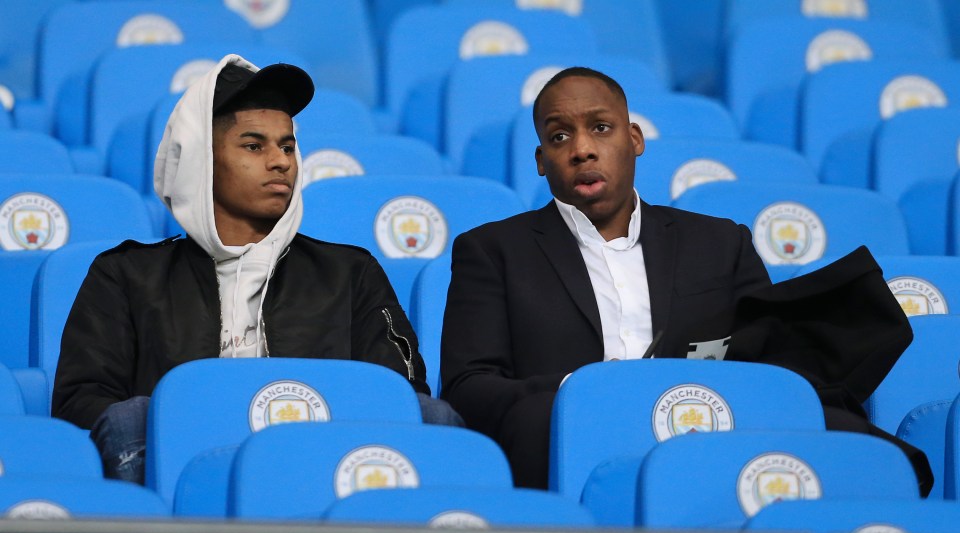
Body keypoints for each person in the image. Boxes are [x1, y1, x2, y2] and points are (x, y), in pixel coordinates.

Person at [53, 54, 461, 484]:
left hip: (327, 458)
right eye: (254, 146)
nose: (281, 161)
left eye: (287, 146)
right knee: (129, 419)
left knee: (431, 416)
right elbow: (82, 402)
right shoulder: (127, 275)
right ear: (201, 162)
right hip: (188, 461)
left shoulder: (349, 271)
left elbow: (399, 395)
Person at [440, 67, 771, 489]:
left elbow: (772, 357)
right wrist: (579, 388)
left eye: (600, 128)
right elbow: (468, 388)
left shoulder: (720, 242)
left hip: (703, 432)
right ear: (541, 162)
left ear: (634, 139)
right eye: (559, 137)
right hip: (567, 438)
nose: (582, 150)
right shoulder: (492, 250)